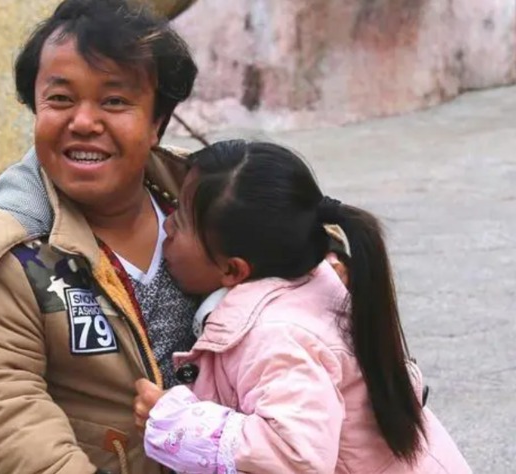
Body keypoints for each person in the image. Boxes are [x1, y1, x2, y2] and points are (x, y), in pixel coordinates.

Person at [0, 0, 200, 472]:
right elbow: (8, 408)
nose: (83, 122)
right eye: (60, 99)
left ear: (157, 123)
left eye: (114, 101)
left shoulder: (209, 206)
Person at [133, 140, 472, 473]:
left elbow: (297, 456)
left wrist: (178, 422)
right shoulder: (309, 285)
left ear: (233, 270)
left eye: (182, 221)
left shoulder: (277, 338)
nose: (167, 225)